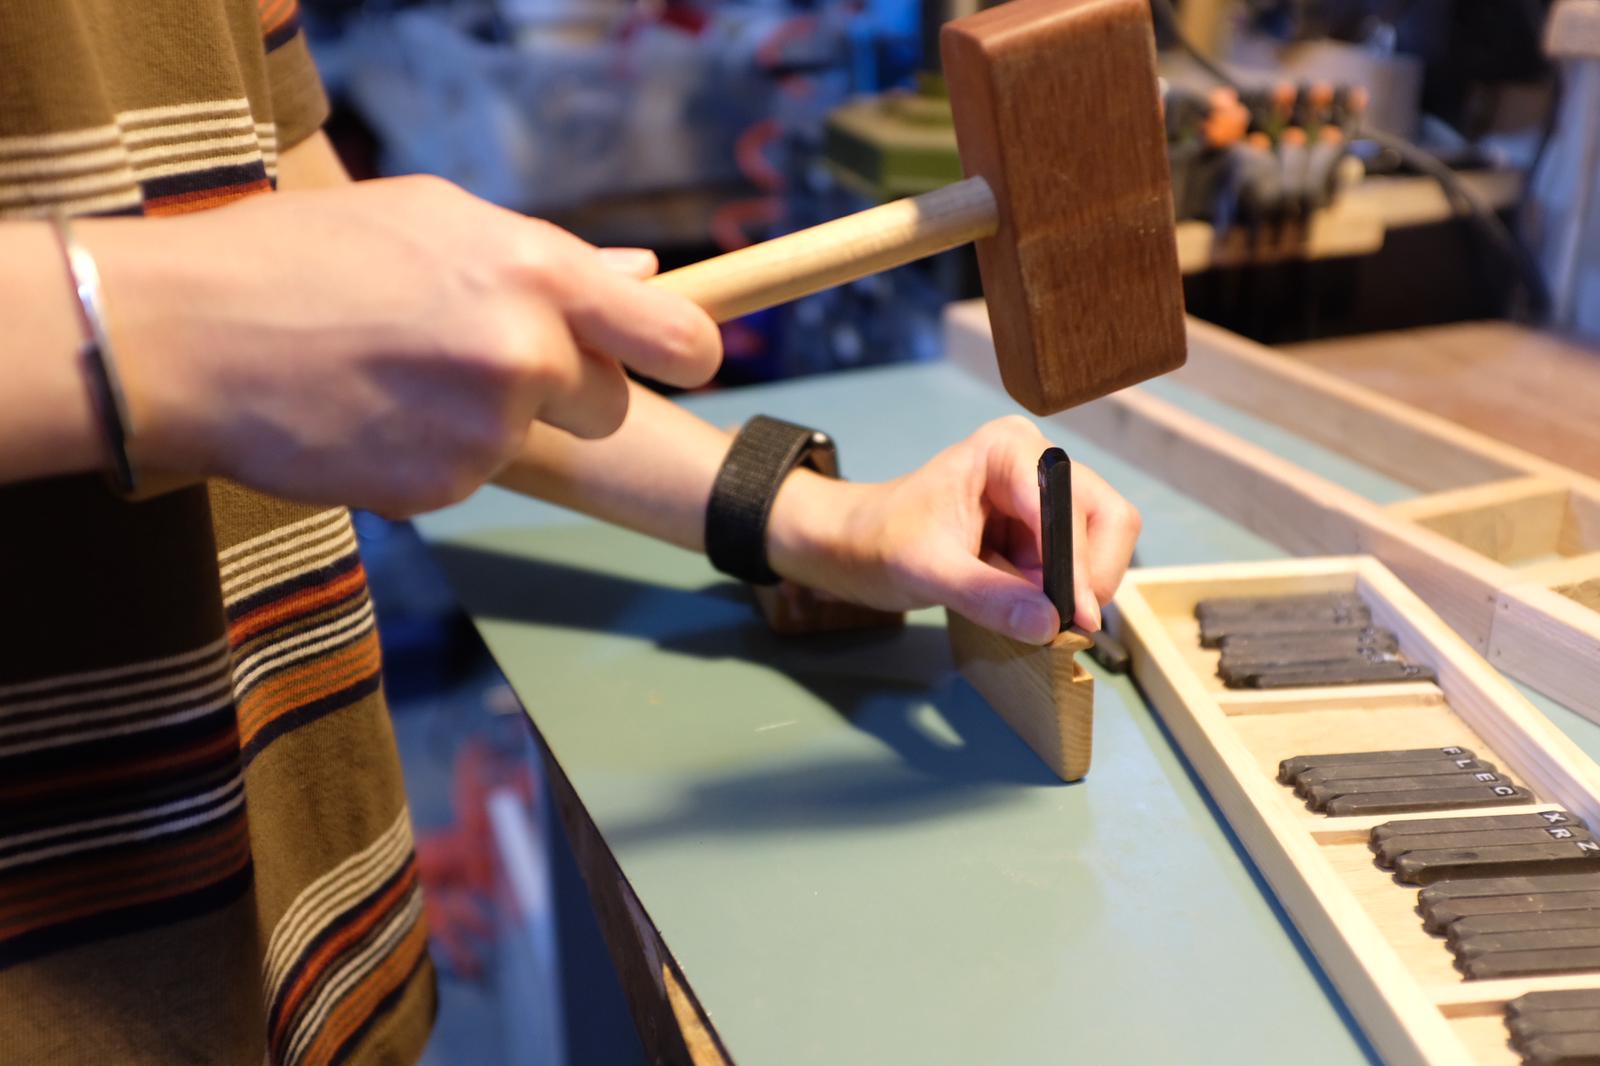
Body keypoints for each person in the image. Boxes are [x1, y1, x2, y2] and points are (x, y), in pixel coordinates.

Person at [0, 0, 1143, 1061]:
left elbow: (320, 253)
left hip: (286, 893)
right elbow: (257, 307)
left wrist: (816, 518)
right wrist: (159, 324)